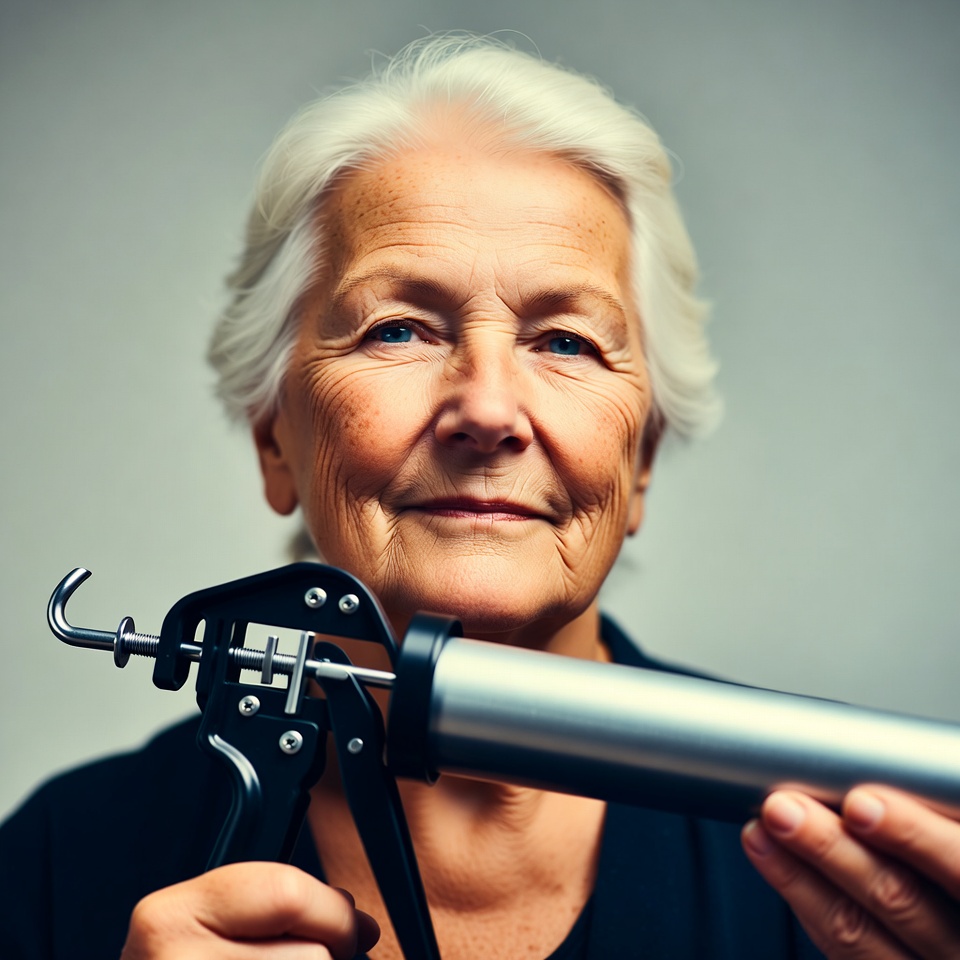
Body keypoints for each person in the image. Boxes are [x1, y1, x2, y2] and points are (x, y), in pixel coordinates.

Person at [2, 34, 959, 960]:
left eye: (566, 342)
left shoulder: (863, 874)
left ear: (642, 464)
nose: (489, 410)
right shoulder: (48, 870)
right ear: (275, 441)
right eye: (398, 330)